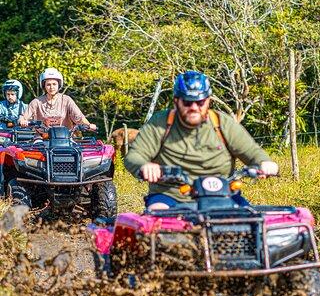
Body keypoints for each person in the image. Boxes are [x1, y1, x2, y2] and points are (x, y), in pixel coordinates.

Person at [124, 70, 279, 210]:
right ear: (176, 101)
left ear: (208, 101)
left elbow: (252, 152)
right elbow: (134, 156)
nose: (194, 107)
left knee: (252, 223)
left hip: (223, 194)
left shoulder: (222, 123)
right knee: (157, 222)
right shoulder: (160, 124)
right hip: (171, 195)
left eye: (200, 102)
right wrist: (145, 166)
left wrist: (264, 162)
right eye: (187, 102)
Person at [19, 67, 96, 131]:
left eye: (54, 84)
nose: (51, 87)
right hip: (42, 138)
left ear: (59, 85)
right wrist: (22, 121)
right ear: (44, 86)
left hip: (65, 138)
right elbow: (23, 117)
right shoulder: (36, 102)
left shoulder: (66, 100)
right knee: (35, 146)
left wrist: (89, 125)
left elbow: (79, 117)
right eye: (48, 84)